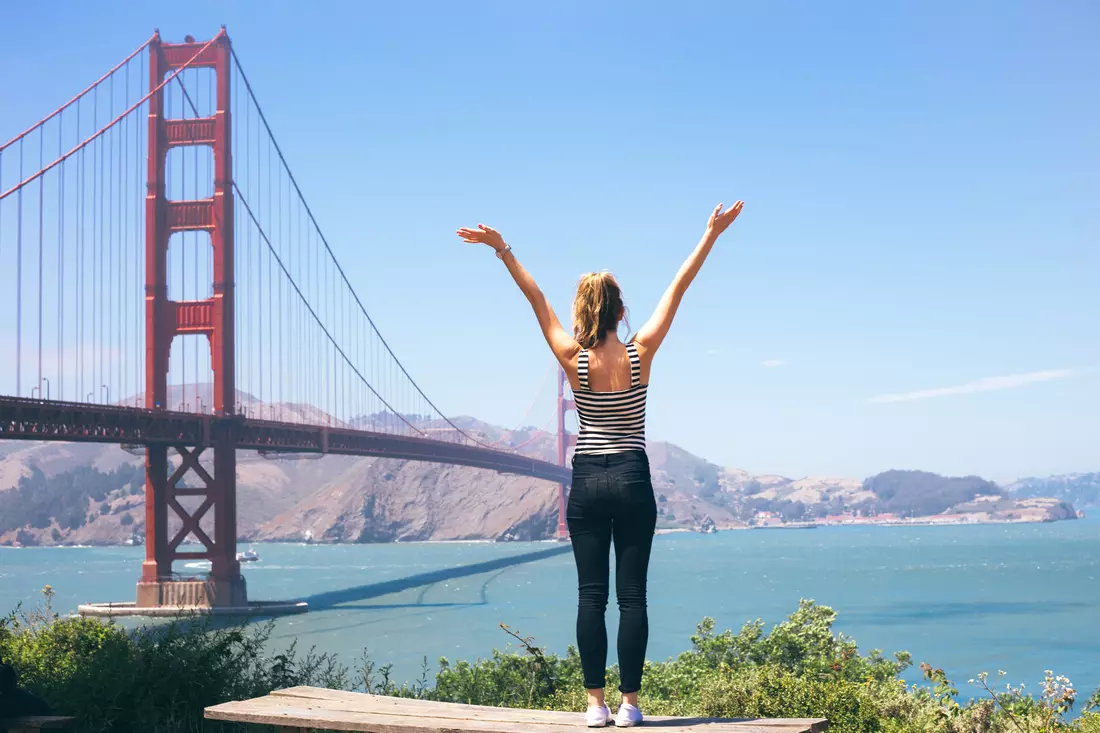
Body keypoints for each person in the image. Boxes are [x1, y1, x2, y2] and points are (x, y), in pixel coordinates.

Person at [457, 200, 744, 727]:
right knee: (633, 597)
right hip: (633, 476)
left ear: (584, 312)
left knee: (592, 596)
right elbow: (678, 288)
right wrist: (710, 234)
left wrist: (503, 250)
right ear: (619, 311)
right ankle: (631, 705)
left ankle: (595, 706)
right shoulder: (643, 351)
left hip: (588, 480)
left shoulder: (572, 357)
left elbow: (536, 299)